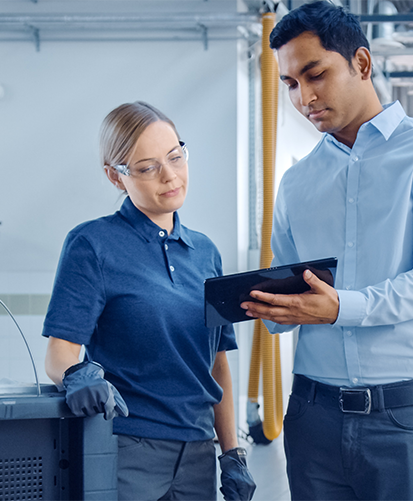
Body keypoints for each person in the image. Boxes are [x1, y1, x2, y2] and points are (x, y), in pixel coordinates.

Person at [240, 3, 413, 500]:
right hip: (312, 417)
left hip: (407, 418)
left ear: (362, 64)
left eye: (315, 74)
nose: (304, 97)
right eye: (290, 84)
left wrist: (338, 307)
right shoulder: (297, 181)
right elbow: (287, 299)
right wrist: (270, 306)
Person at [43, 102, 255, 501]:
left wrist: (231, 453)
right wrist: (77, 374)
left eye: (176, 157)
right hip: (126, 448)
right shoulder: (92, 245)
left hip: (197, 453)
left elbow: (217, 364)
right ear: (115, 176)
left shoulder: (206, 253)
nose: (170, 175)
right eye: (147, 167)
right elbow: (60, 352)